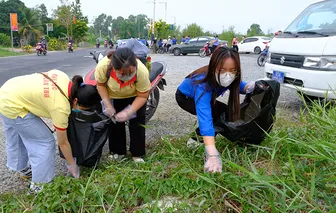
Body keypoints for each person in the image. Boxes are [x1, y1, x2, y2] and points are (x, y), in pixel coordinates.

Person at [0, 70, 100, 193]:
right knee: (44, 142)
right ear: (75, 101)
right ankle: (39, 187)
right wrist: (72, 165)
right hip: (12, 105)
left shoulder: (63, 77)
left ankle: (22, 168)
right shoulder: (61, 108)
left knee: (19, 134)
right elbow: (63, 143)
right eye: (82, 108)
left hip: (8, 90)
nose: (80, 111)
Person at [175, 47, 255, 173]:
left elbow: (236, 85)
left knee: (222, 113)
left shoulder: (231, 78)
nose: (228, 75)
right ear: (213, 67)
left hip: (204, 96)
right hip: (185, 97)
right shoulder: (203, 85)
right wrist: (212, 153)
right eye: (222, 70)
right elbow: (205, 116)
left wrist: (249, 87)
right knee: (215, 115)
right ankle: (196, 141)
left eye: (233, 71)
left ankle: (199, 139)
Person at [94, 48, 150, 163]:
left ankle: (137, 154)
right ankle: (117, 152)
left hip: (135, 96)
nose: (127, 76)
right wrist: (107, 104)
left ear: (135, 64)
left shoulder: (142, 71)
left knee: (137, 124)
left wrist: (130, 111)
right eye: (122, 73)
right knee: (115, 124)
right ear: (114, 68)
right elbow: (100, 85)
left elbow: (143, 96)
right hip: (113, 96)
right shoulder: (103, 67)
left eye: (131, 72)